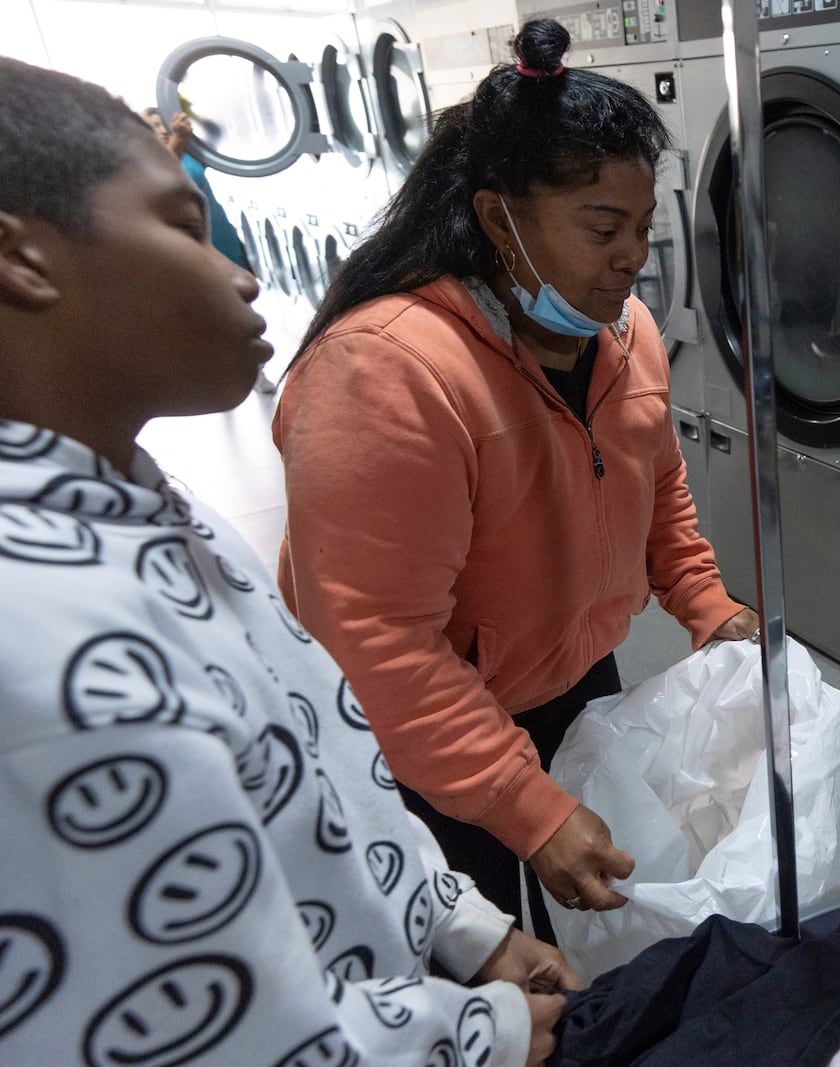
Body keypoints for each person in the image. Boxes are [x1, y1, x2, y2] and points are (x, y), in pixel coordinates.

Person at [0, 58, 575, 1066]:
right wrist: (475, 1034)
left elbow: (319, 769)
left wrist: (464, 929)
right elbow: (206, 1032)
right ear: (23, 260)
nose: (240, 270)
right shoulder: (44, 649)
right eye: (183, 226)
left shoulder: (153, 514)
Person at [273, 18, 759, 941]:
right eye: (602, 228)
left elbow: (660, 495)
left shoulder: (625, 336)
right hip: (422, 728)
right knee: (482, 951)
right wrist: (520, 804)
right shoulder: (386, 374)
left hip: (572, 671)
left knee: (594, 924)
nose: (632, 257)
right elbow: (377, 642)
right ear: (499, 219)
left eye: (641, 229)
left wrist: (705, 601)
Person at [141, 105, 276, 395]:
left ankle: (255, 369)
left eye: (162, 123)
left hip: (220, 233)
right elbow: (165, 175)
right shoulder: (148, 162)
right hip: (192, 242)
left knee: (242, 301)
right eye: (153, 126)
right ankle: (228, 368)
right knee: (213, 306)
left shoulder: (189, 150)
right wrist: (177, 139)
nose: (162, 129)